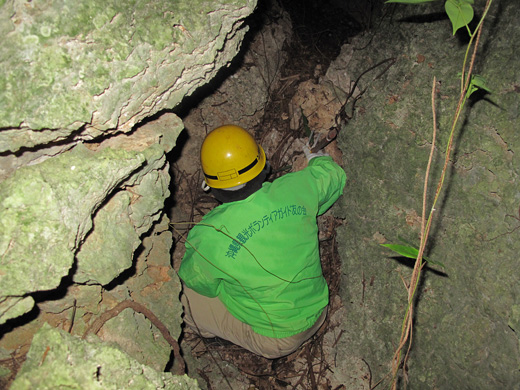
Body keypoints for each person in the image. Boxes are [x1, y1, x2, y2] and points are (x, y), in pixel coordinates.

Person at [178, 124, 346, 359]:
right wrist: (317, 158)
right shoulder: (295, 187)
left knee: (181, 299)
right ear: (262, 164)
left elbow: (200, 284)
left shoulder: (208, 236)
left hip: (276, 339)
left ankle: (214, 333)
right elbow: (334, 178)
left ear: (211, 187)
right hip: (318, 309)